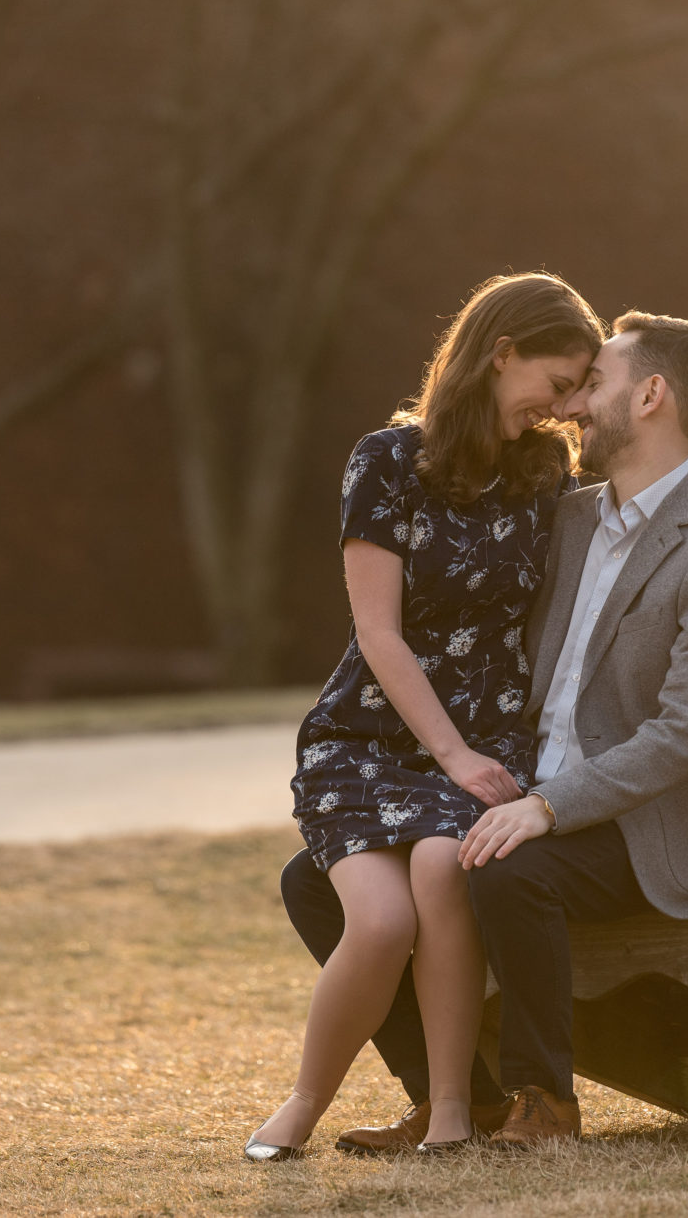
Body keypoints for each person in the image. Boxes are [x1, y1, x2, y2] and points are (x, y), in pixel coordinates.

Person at [279, 309, 688, 1152]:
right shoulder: (565, 518)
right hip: (528, 793)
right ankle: (454, 1104)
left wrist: (543, 810)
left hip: (640, 826)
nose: (573, 405)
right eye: (570, 384)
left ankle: (544, 1102)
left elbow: (680, 736)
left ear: (651, 395)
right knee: (313, 881)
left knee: (509, 871)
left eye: (595, 383)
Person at [243, 274, 604, 1162]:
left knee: (446, 869)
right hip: (374, 739)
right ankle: (300, 1104)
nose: (560, 410)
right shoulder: (386, 460)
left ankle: (451, 1114)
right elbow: (377, 632)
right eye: (554, 386)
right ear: (500, 351)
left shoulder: (543, 472)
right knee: (379, 924)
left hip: (486, 745)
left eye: (573, 395)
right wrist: (447, 753)